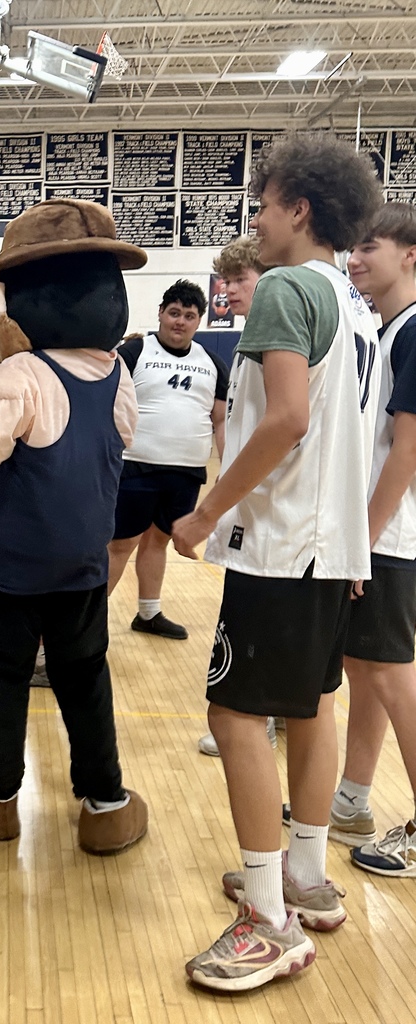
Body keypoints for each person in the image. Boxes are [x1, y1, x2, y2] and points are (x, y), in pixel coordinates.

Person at [172, 133, 381, 991]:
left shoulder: (288, 287)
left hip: (283, 547)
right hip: (329, 551)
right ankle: (303, 874)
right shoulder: (357, 304)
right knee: (311, 708)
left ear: (299, 208)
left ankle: (268, 921)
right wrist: (354, 543)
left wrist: (208, 509)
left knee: (234, 718)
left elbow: (288, 417)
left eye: (263, 203)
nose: (254, 218)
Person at [0, 198, 149, 854]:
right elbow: (118, 439)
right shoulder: (117, 373)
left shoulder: (24, 373)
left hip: (11, 565)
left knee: (1, 675)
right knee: (85, 677)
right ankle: (105, 801)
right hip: (81, 563)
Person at [329, 202, 416, 875]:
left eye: (371, 246)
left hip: (393, 535)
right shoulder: (390, 329)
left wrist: (363, 536)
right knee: (366, 670)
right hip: (381, 533)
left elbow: (408, 450)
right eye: (353, 247)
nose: (355, 258)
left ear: (410, 254)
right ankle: (353, 800)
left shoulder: (413, 330)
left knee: (391, 673)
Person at [107, 279, 229, 640]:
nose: (180, 321)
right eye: (174, 313)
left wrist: (227, 466)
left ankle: (148, 613)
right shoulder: (134, 353)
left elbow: (220, 419)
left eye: (189, 316)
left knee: (159, 541)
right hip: (135, 466)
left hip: (186, 473)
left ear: (199, 321)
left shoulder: (213, 362)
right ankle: (88, 625)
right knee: (120, 545)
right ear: (160, 313)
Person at [197, 236, 272, 757]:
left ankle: (258, 716)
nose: (227, 291)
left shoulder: (275, 343)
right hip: (258, 506)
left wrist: (211, 507)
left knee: (256, 621)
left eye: (239, 280)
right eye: (224, 281)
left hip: (270, 513)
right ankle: (269, 712)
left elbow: (284, 426)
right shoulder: (249, 344)